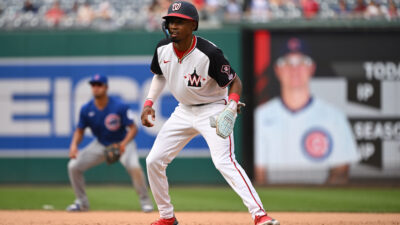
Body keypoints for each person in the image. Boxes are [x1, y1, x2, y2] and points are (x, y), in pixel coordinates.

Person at [141, 1, 279, 225]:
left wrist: (231, 106)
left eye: (180, 22)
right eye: (170, 21)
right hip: (183, 111)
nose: (173, 26)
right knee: (153, 160)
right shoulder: (162, 48)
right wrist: (149, 102)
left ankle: (259, 215)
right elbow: (159, 75)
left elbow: (235, 82)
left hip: (213, 109)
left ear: (193, 25)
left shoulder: (209, 53)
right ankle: (167, 217)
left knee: (224, 161)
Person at [254, 39, 360, 185]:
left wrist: (321, 202)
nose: (294, 69)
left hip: (321, 198)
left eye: (302, 62)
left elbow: (341, 171)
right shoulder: (261, 116)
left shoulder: (333, 116)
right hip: (273, 199)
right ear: (277, 70)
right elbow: (258, 174)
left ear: (312, 68)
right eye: (287, 63)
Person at [67, 74, 153, 213]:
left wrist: (123, 144)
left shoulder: (119, 106)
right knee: (73, 166)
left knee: (134, 167)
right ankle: (82, 203)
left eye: (99, 85)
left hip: (123, 143)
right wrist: (73, 146)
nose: (96, 88)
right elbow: (79, 131)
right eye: (93, 85)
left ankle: (145, 202)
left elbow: (133, 128)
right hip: (101, 144)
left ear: (106, 87)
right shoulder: (86, 109)